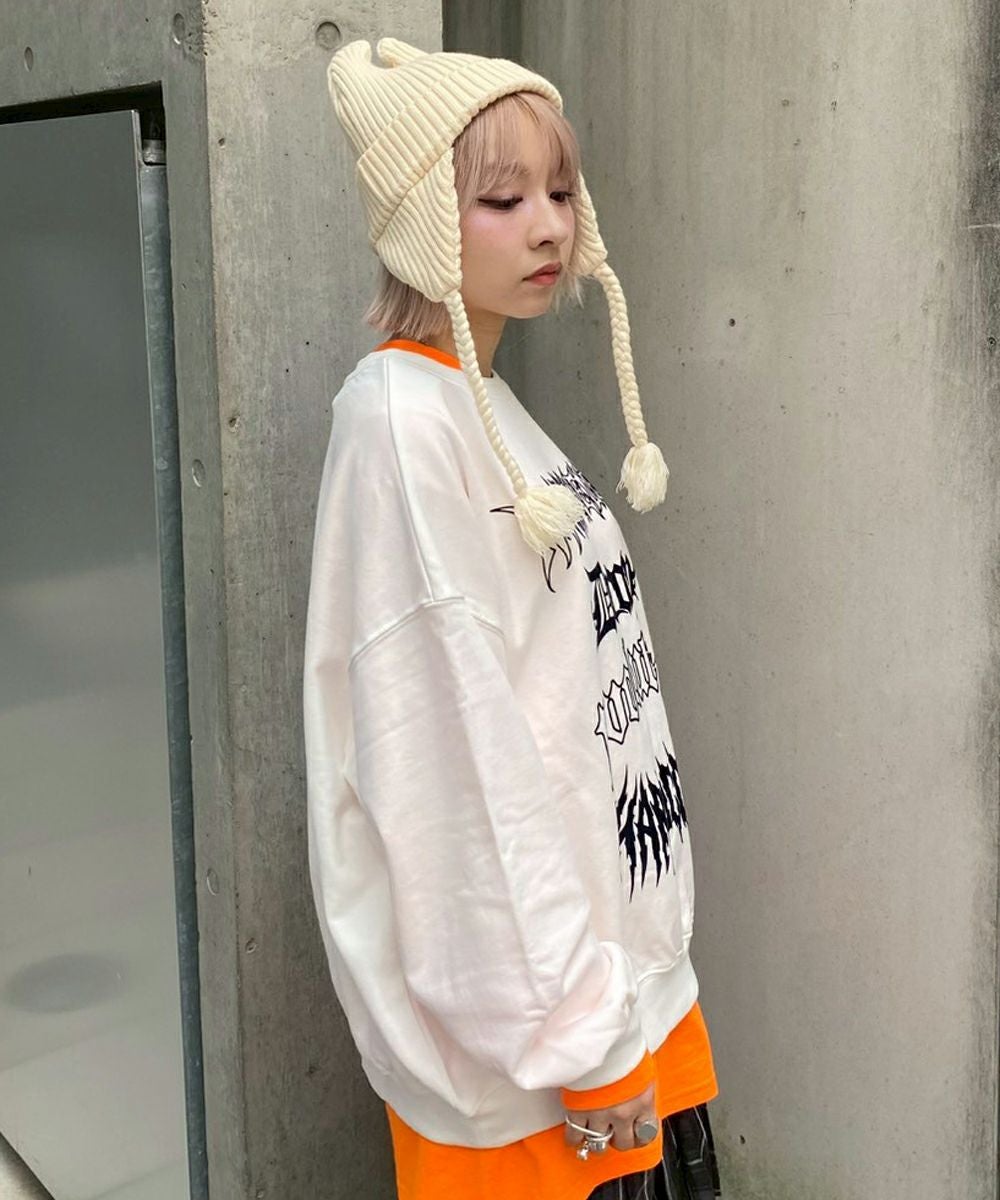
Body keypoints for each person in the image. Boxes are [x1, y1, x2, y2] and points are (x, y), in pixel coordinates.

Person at [303, 35, 722, 1200]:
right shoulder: (401, 426)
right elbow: (453, 773)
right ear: (419, 223)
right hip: (544, 1078)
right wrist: (582, 1042)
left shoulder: (476, 404)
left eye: (560, 191)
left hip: (611, 1007)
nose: (548, 227)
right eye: (501, 199)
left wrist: (616, 1012)